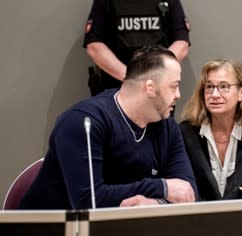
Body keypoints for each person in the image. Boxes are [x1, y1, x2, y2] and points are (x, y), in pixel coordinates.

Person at [20, 47, 196, 209]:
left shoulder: (167, 127)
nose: (179, 95)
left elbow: (187, 193)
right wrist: (161, 187)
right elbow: (88, 201)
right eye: (174, 86)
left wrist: (156, 203)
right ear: (150, 88)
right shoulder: (84, 121)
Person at [83, 0, 191, 95]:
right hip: (116, 88)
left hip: (158, 89)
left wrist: (155, 74)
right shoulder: (105, 1)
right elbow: (94, 47)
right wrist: (130, 78)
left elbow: (182, 44)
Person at [179, 59, 242, 200]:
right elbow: (188, 189)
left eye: (223, 86)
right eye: (209, 87)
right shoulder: (186, 133)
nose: (214, 94)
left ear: (241, 93)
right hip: (199, 218)